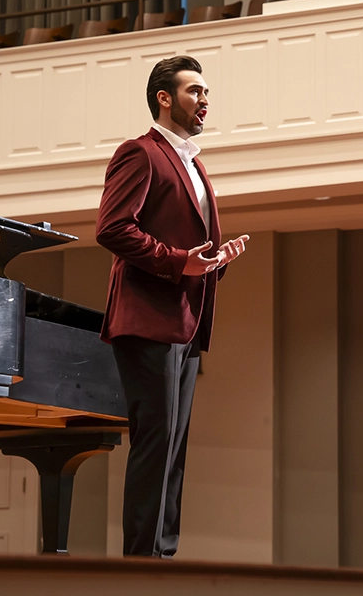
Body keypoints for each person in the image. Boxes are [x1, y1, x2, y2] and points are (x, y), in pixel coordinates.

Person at [95, 54, 249, 558]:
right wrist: (178, 261)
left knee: (174, 452)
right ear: (165, 98)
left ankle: (163, 560)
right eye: (195, 91)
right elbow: (113, 229)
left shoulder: (196, 163)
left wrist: (212, 262)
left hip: (185, 324)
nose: (205, 100)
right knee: (155, 447)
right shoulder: (139, 153)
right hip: (148, 321)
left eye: (206, 93)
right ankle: (140, 567)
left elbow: (188, 252)